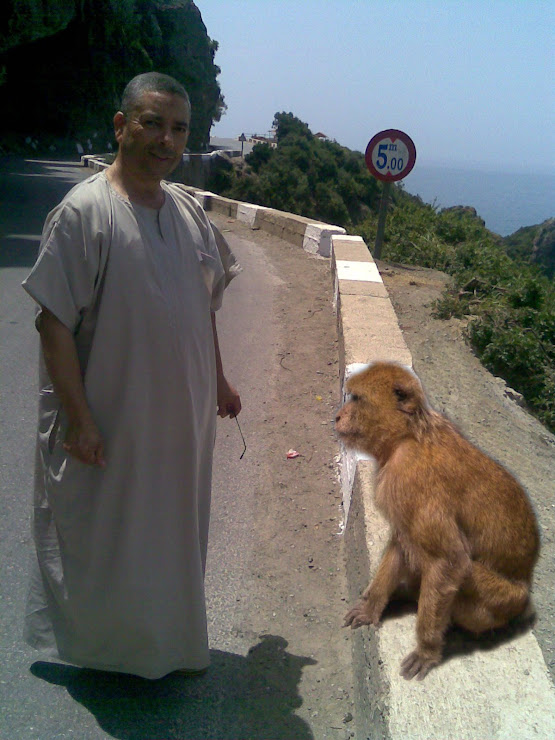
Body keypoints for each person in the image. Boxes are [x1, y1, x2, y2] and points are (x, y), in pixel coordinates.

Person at [22, 72, 242, 679]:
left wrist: (219, 383)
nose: (165, 140)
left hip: (184, 423)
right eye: (152, 123)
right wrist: (80, 420)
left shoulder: (190, 213)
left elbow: (206, 309)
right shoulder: (83, 214)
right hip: (114, 419)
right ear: (121, 126)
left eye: (178, 129)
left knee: (174, 534)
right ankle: (112, 657)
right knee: (113, 538)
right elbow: (53, 325)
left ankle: (170, 644)